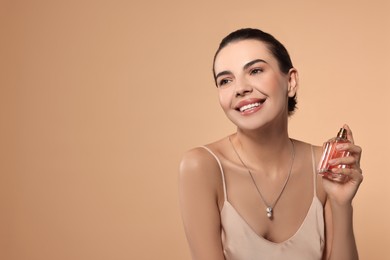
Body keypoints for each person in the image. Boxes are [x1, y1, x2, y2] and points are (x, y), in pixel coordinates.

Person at [178, 28, 363, 260]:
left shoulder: (323, 167)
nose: (240, 88)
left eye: (255, 71)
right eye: (225, 80)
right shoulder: (202, 167)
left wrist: (341, 203)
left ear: (291, 81)